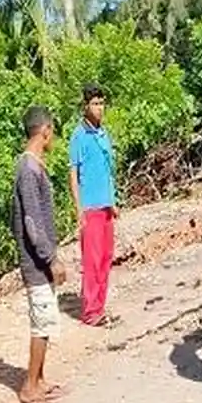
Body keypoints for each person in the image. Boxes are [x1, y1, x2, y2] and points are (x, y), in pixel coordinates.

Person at [11, 105, 67, 403]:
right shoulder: (28, 170)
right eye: (52, 131)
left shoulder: (32, 167)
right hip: (36, 263)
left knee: (45, 320)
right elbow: (31, 222)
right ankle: (29, 387)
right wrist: (49, 259)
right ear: (44, 130)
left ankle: (40, 379)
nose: (52, 136)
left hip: (39, 260)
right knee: (41, 323)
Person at [69, 83, 119, 327]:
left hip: (106, 204)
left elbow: (110, 169)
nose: (99, 108)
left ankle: (100, 305)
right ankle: (90, 311)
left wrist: (114, 199)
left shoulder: (103, 135)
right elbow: (73, 174)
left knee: (106, 257)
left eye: (101, 103)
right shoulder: (79, 136)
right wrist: (78, 208)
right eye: (95, 104)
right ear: (85, 106)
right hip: (90, 206)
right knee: (92, 258)